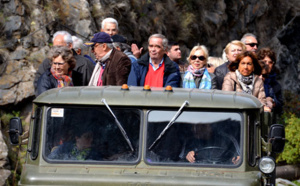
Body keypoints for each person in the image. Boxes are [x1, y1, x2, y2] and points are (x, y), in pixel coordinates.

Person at [257, 48, 283, 116]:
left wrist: (273, 102)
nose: (267, 64)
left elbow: (280, 107)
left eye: (270, 62)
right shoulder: (253, 78)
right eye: (264, 61)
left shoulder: (275, 84)